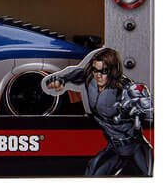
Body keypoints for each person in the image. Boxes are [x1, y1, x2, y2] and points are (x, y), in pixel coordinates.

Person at [46, 48, 153, 176]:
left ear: (113, 70)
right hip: (115, 147)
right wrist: (61, 79)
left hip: (136, 146)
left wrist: (134, 108)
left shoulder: (124, 87)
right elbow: (78, 73)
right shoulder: (90, 79)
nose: (98, 75)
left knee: (152, 176)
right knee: (93, 174)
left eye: (104, 71)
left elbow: (147, 106)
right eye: (95, 70)